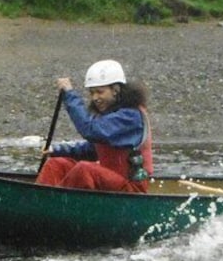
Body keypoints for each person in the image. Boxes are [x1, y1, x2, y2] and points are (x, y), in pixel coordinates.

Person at [36, 59, 153, 193]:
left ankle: (53, 203)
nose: (95, 98)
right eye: (92, 93)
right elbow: (93, 150)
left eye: (100, 92)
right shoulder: (110, 116)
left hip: (131, 188)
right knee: (56, 164)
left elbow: (91, 131)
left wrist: (70, 95)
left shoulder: (131, 117)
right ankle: (38, 198)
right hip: (109, 181)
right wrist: (56, 150)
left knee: (84, 170)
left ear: (115, 90)